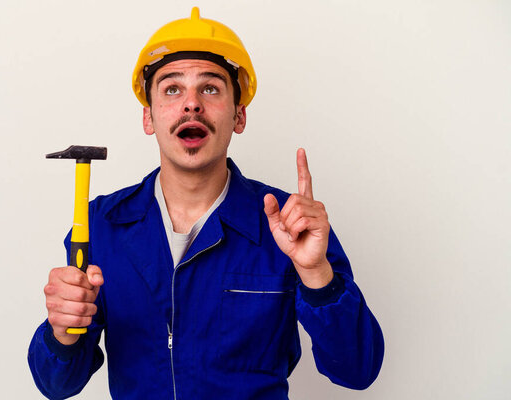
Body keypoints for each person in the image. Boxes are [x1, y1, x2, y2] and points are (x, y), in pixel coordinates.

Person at [28, 7, 384, 399]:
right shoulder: (102, 225)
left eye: (211, 88)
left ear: (239, 115)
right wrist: (61, 332)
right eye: (172, 88)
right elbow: (57, 385)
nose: (191, 104)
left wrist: (317, 274)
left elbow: (358, 370)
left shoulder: (288, 224)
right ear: (149, 117)